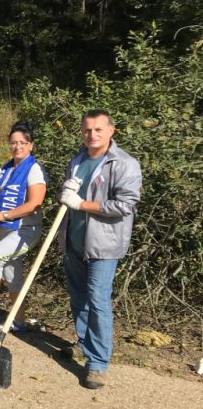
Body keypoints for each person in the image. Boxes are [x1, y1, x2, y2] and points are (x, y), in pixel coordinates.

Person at [58, 109, 142, 389]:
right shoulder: (77, 160)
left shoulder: (123, 163)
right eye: (86, 130)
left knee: (98, 299)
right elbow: (71, 197)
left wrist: (81, 204)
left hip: (103, 245)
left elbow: (125, 205)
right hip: (74, 241)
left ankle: (97, 364)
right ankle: (86, 346)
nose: (91, 135)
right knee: (78, 297)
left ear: (111, 131)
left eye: (98, 130)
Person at [0, 121, 48, 332]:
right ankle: (19, 322)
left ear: (31, 145)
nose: (17, 147)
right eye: (13, 143)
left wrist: (3, 215)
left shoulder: (34, 169)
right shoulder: (7, 168)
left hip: (25, 230)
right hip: (4, 229)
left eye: (22, 143)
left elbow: (34, 204)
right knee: (10, 274)